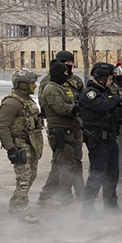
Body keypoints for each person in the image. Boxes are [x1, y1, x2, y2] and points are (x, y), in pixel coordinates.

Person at [0, 69, 43, 224]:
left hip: (31, 144)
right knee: (23, 180)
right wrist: (11, 149)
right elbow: (3, 127)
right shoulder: (11, 102)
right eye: (31, 83)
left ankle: (15, 204)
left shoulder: (27, 100)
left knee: (31, 176)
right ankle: (22, 210)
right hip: (20, 145)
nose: (34, 86)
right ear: (22, 84)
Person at [37, 51, 84, 207]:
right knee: (62, 163)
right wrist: (74, 109)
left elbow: (80, 96)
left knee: (75, 160)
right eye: (67, 64)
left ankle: (80, 192)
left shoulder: (74, 81)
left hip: (74, 126)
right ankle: (53, 193)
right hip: (60, 127)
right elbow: (51, 105)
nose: (69, 68)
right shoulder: (49, 84)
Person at [80, 63, 122, 218]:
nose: (111, 81)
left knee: (113, 174)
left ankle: (111, 205)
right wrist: (116, 100)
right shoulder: (90, 93)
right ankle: (87, 209)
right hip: (98, 140)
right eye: (110, 78)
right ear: (101, 78)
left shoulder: (106, 92)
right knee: (97, 174)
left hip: (110, 139)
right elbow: (102, 105)